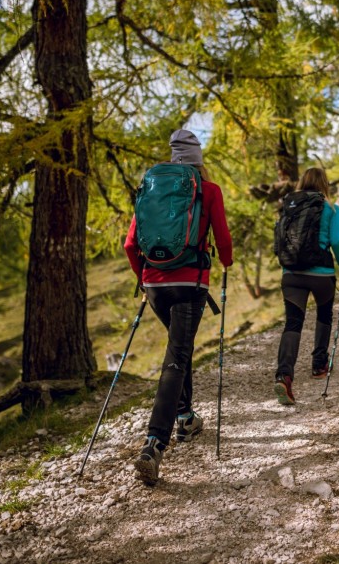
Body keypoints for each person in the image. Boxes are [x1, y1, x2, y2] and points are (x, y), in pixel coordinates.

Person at [123, 128, 232, 485]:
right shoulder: (208, 189)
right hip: (190, 283)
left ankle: (185, 417)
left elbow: (129, 244)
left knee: (178, 347)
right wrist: (226, 261)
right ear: (198, 159)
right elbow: (223, 237)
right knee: (177, 357)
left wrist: (145, 276)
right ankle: (154, 443)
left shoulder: (152, 188)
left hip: (154, 283)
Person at [273, 167, 339, 405]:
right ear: (324, 184)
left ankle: (284, 375)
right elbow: (336, 241)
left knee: (293, 322)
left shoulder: (289, 205)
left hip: (292, 273)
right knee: (324, 316)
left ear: (302, 182)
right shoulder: (331, 208)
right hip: (322, 275)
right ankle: (319, 365)